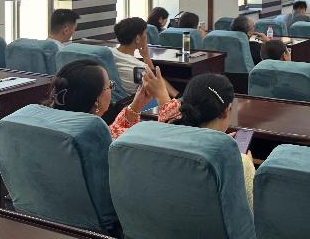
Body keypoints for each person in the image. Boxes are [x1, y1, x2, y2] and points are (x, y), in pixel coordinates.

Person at [171, 74, 255, 212]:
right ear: (227, 110)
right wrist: (248, 166)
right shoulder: (239, 162)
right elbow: (251, 213)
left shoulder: (167, 144)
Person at [48, 59, 178, 140]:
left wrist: (136, 106)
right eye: (110, 85)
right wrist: (162, 96)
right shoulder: (115, 141)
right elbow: (174, 140)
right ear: (96, 100)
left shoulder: (59, 130)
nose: (111, 87)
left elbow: (115, 129)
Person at [111, 17, 180, 98]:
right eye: (145, 33)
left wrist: (145, 56)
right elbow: (157, 83)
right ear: (137, 38)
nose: (146, 36)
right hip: (137, 100)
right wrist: (147, 57)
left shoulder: (109, 53)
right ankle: (179, 96)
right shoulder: (139, 67)